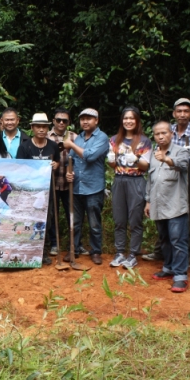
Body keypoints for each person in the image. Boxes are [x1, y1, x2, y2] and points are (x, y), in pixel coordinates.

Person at [143, 98, 190, 261]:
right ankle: (163, 255)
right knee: (165, 222)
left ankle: (184, 259)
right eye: (179, 111)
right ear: (174, 113)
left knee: (188, 225)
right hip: (168, 188)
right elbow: (158, 158)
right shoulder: (166, 131)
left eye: (186, 111)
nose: (182, 114)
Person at [145, 121, 190, 292]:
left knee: (178, 240)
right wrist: (148, 201)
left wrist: (167, 159)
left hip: (176, 205)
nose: (161, 136)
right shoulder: (153, 154)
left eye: (164, 133)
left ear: (171, 133)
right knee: (164, 239)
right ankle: (169, 268)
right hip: (158, 204)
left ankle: (181, 276)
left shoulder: (181, 151)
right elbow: (151, 179)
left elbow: (184, 165)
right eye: (157, 134)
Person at [107, 107, 152, 269]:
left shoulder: (144, 141)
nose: (128, 121)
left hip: (136, 181)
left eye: (132, 118)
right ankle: (119, 252)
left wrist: (136, 159)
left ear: (137, 121)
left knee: (135, 220)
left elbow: (145, 166)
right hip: (119, 180)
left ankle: (133, 254)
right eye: (126, 118)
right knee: (119, 219)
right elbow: (113, 165)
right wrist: (111, 159)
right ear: (122, 120)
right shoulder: (114, 140)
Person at [64, 108, 109, 265]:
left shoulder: (102, 138)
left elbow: (89, 156)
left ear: (96, 121)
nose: (85, 121)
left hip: (93, 187)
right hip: (77, 187)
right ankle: (73, 249)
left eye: (89, 118)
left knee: (94, 222)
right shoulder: (79, 137)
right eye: (82, 118)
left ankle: (96, 251)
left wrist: (70, 144)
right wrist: (69, 173)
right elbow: (71, 159)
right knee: (75, 221)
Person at [16, 113, 60, 264]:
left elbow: (58, 162)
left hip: (48, 190)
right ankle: (28, 249)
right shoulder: (25, 146)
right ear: (32, 128)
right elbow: (20, 167)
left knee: (46, 220)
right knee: (30, 219)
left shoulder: (53, 146)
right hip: (31, 191)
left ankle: (43, 252)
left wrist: (56, 165)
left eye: (44, 127)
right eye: (38, 126)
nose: (41, 129)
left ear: (47, 128)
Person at [47, 107, 77, 255]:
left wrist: (75, 171)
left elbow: (80, 159)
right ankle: (54, 243)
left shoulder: (75, 138)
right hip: (51, 183)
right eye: (58, 120)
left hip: (69, 183)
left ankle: (75, 244)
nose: (61, 122)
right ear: (53, 121)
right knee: (53, 214)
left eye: (64, 120)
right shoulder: (46, 137)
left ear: (68, 122)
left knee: (72, 213)